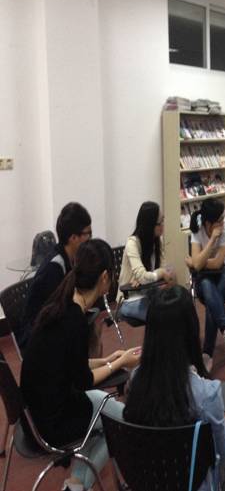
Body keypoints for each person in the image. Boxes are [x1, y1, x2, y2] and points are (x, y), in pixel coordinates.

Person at [20, 239, 141, 491]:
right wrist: (121, 361)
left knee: (111, 412)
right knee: (120, 425)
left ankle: (75, 484)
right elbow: (83, 379)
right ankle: (77, 486)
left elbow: (67, 363)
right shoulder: (73, 319)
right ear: (105, 277)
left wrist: (107, 359)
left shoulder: (62, 302)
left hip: (35, 413)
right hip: (53, 423)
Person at [124, 286, 225, 491]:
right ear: (191, 330)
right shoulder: (207, 394)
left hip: (146, 482)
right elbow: (222, 454)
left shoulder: (136, 379)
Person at [21, 202, 92, 350]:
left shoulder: (69, 260)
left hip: (51, 327)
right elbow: (53, 313)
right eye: (88, 234)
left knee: (89, 326)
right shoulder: (54, 267)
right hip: (38, 337)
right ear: (73, 237)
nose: (90, 238)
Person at [185, 198, 225, 372]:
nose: (223, 222)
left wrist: (195, 262)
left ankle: (207, 354)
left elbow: (217, 263)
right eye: (219, 220)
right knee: (208, 288)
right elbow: (200, 266)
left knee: (211, 299)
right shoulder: (197, 229)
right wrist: (212, 238)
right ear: (208, 223)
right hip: (203, 279)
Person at [118, 201, 173, 292]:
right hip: (130, 295)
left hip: (150, 292)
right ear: (150, 225)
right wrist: (159, 273)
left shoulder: (157, 240)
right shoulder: (132, 243)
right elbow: (143, 277)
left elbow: (165, 272)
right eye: (160, 222)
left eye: (163, 220)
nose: (163, 225)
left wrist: (148, 278)